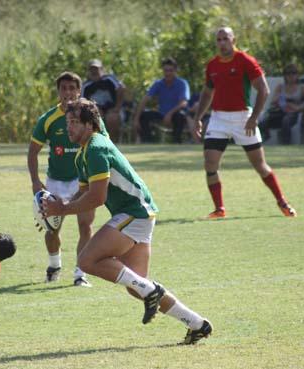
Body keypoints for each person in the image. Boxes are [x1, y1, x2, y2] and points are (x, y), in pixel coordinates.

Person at [43, 98, 213, 344]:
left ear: (90, 124)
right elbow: (81, 194)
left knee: (87, 260)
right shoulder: (82, 153)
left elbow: (97, 197)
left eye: (74, 122)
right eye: (67, 122)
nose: (69, 127)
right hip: (137, 214)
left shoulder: (96, 148)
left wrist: (62, 208)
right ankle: (197, 323)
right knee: (137, 287)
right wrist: (56, 208)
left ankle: (152, 292)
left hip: (135, 212)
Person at [192, 26, 297, 218]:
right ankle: (219, 209)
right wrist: (198, 118)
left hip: (243, 118)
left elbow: (263, 90)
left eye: (226, 38)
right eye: (219, 39)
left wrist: (253, 118)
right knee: (210, 163)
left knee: (260, 165)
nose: (222, 43)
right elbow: (208, 93)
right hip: (218, 119)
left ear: (234, 40)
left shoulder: (245, 61)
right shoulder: (212, 65)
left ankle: (283, 202)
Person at [28, 71, 107, 287]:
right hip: (56, 182)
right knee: (52, 228)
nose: (68, 93)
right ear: (58, 92)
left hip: (84, 181)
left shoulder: (91, 117)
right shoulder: (48, 119)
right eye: (64, 88)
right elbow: (33, 151)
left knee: (85, 225)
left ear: (79, 91)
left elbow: (104, 145)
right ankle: (54, 265)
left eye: (72, 88)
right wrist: (35, 181)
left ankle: (80, 274)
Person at [134, 57, 190, 143]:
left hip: (175, 114)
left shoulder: (182, 83)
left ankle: (176, 141)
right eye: (165, 70)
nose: (168, 73)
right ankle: (148, 141)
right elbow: (145, 99)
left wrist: (170, 114)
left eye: (170, 70)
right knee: (144, 115)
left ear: (175, 71)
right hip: (161, 114)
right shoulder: (158, 83)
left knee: (180, 116)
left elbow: (183, 103)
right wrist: (136, 119)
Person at [260, 64, 304, 144]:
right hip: (280, 111)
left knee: (286, 120)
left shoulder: (302, 87)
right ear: (285, 75)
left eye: (293, 73)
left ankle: (286, 143)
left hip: (294, 113)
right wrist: (280, 101)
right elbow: (273, 102)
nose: (291, 76)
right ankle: (261, 140)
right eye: (288, 73)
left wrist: (297, 107)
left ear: (297, 75)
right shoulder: (280, 87)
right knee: (264, 119)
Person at [82, 59, 125, 142]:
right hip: (96, 110)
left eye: (96, 69)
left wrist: (117, 107)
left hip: (113, 109)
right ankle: (98, 142)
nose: (94, 72)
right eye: (92, 69)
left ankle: (113, 142)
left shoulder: (109, 79)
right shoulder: (86, 85)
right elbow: (82, 101)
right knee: (94, 117)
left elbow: (121, 89)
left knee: (112, 118)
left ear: (101, 70)